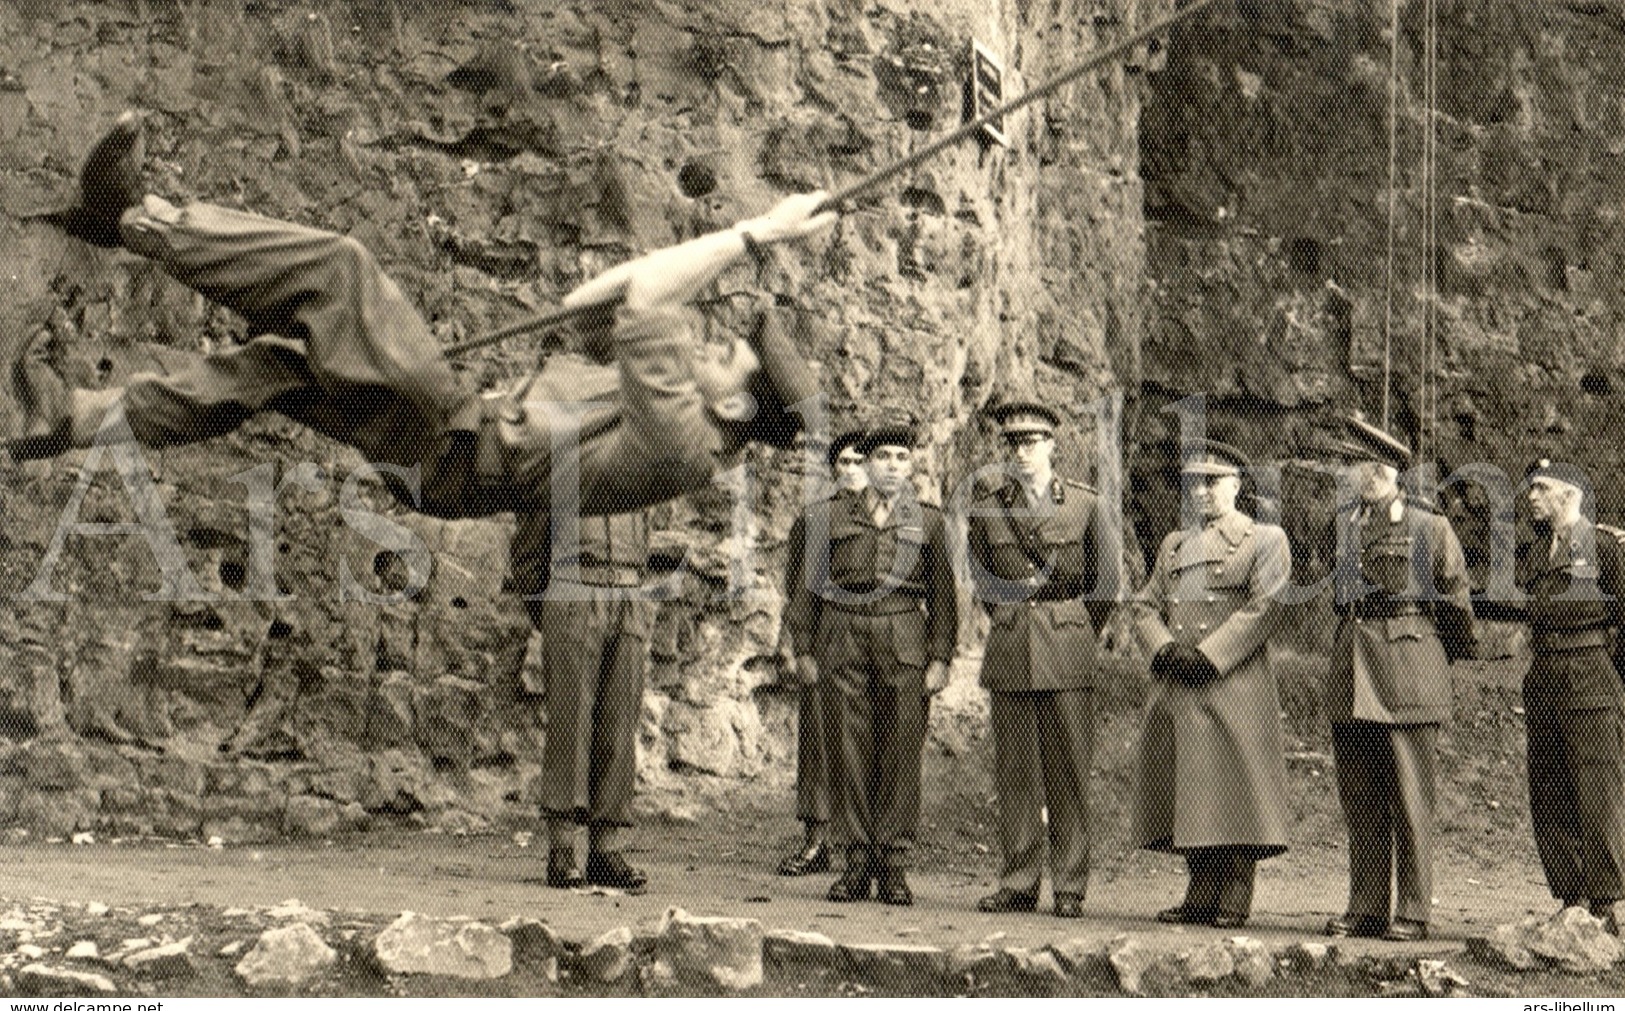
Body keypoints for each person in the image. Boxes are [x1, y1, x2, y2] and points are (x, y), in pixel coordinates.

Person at [12, 111, 839, 520]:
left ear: (733, 405)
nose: (712, 339)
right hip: (447, 447)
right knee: (273, 366)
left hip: (451, 448)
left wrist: (757, 233)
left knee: (339, 271)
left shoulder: (682, 443)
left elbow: (655, 299)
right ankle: (70, 419)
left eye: (728, 355)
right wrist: (748, 242)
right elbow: (606, 297)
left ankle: (135, 218)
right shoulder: (685, 421)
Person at [784, 420, 957, 906]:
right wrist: (803, 650)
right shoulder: (826, 518)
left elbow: (945, 597)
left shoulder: (931, 523)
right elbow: (805, 592)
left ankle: (894, 864)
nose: (893, 467)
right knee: (847, 748)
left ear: (912, 466)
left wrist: (941, 657)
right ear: (866, 462)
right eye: (883, 457)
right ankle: (856, 862)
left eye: (902, 459)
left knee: (901, 751)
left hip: (904, 633)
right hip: (841, 632)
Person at [1318, 415, 1475, 943]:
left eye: (1354, 463)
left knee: (1410, 797)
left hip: (1407, 668)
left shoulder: (1429, 527)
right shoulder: (1345, 524)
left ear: (1382, 470)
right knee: (1360, 798)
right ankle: (1365, 906)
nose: (1347, 472)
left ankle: (1411, 910)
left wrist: (1430, 658)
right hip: (1352, 669)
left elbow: (1455, 602)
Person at [1129, 438, 1292, 929]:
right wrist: (1162, 647)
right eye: (1194, 483)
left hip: (1232, 681)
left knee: (1237, 786)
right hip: (1180, 680)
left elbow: (1267, 605)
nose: (1202, 492)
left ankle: (1236, 888)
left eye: (1213, 482)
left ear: (1237, 486)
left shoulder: (1264, 539)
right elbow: (1143, 605)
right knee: (1191, 786)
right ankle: (1200, 887)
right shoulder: (1175, 545)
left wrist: (1210, 653)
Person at [965, 401, 1109, 919]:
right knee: (1016, 772)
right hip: (1010, 646)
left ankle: (1069, 885)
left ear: (1052, 445)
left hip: (1066, 645)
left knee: (1068, 770)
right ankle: (1019, 880)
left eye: (1031, 442)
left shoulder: (1086, 505)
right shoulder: (987, 506)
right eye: (1012, 443)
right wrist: (1010, 614)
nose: (1021, 451)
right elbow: (982, 575)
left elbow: (1105, 584)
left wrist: (1070, 624)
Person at [1480, 460, 1625, 934]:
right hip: (1544, 676)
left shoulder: (1604, 546)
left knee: (1598, 789)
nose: (1531, 497)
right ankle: (1572, 893)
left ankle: (1608, 899)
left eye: (1541, 489)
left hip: (1591, 674)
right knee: (1549, 787)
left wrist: (1615, 680)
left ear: (1570, 493)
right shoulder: (1536, 550)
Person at [509, 507, 658, 891]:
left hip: (628, 597)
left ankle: (606, 851)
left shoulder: (636, 475)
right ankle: (562, 850)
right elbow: (527, 554)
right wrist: (552, 609)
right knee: (570, 724)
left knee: (619, 724)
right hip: (573, 592)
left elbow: (645, 544)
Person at [776, 424, 869, 878]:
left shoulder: (895, 517)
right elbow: (795, 588)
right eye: (844, 462)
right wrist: (801, 646)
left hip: (878, 635)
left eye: (859, 461)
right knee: (818, 736)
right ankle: (816, 840)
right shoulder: (814, 520)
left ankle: (867, 842)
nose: (851, 470)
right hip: (828, 632)